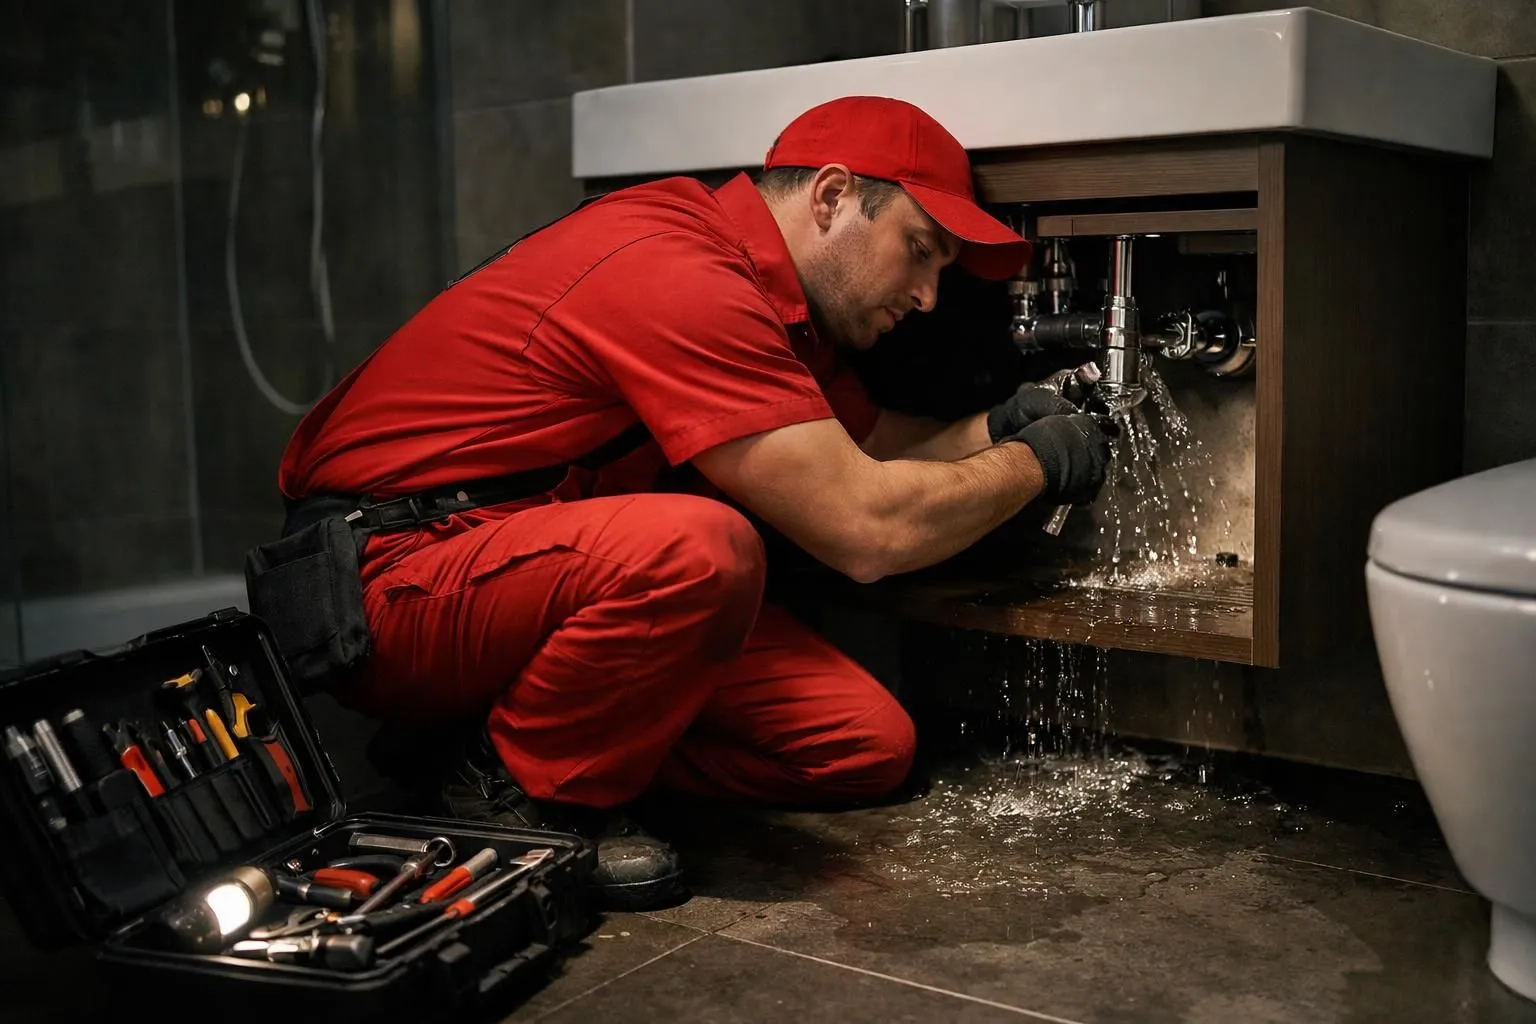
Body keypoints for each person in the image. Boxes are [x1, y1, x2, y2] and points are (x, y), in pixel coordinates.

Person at [273, 95, 1115, 911]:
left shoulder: (770, 297)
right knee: (702, 547)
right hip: (390, 579)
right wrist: (1032, 466)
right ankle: (517, 787)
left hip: (524, 567)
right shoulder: (679, 271)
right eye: (920, 250)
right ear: (832, 197)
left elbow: (866, 445)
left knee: (864, 749)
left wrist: (995, 426)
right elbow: (868, 528)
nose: (929, 295)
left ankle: (480, 739)